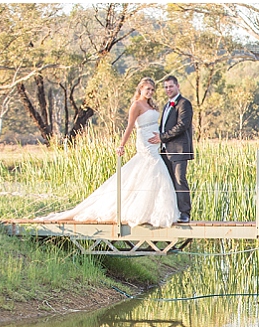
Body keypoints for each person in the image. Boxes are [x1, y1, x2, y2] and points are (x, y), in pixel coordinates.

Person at [40, 78, 178, 228]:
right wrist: (121, 145)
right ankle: (140, 211)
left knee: (152, 171)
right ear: (140, 89)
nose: (150, 92)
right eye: (147, 89)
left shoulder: (151, 104)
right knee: (153, 167)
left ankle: (152, 211)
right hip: (145, 141)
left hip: (155, 141)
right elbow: (130, 127)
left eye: (152, 89)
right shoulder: (136, 105)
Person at [148, 75, 194, 223]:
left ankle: (185, 213)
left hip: (180, 150)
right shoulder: (167, 106)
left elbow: (182, 125)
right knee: (168, 181)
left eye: (171, 86)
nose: (168, 89)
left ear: (177, 86)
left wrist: (162, 137)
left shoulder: (184, 104)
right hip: (166, 151)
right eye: (166, 87)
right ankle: (171, 212)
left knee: (180, 180)